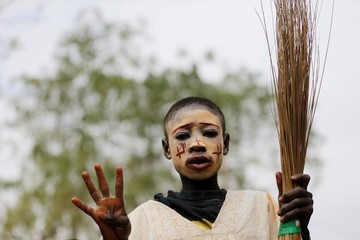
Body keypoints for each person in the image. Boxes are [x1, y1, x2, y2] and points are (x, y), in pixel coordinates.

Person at [72, 96, 313, 240]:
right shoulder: (140, 223)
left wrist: (300, 226)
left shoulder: (264, 209)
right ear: (167, 149)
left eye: (209, 133)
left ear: (225, 143)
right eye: (183, 136)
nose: (197, 144)